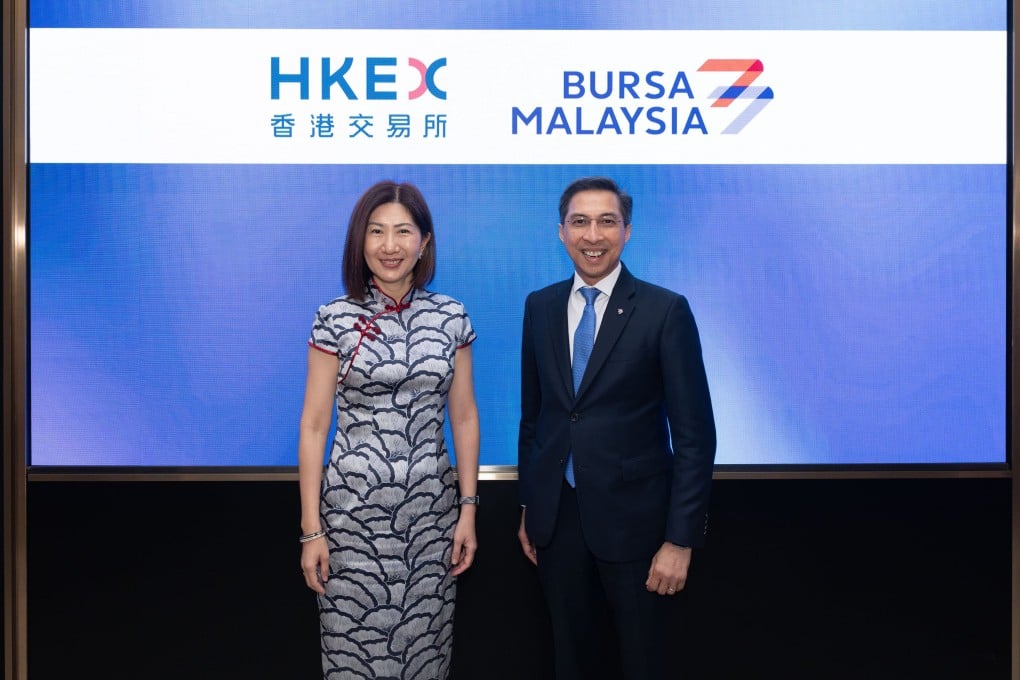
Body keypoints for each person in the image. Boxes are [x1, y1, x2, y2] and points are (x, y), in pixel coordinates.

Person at [517, 177, 716, 680]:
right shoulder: (539, 306)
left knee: (641, 663)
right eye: (579, 222)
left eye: (607, 221)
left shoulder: (665, 310)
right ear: (560, 232)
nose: (593, 235)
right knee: (569, 661)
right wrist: (529, 505)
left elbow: (695, 436)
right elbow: (534, 416)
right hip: (556, 524)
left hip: (639, 530)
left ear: (627, 231)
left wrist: (680, 540)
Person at [297, 180, 480, 679]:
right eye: (376, 232)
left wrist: (468, 509)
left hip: (430, 523)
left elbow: (463, 415)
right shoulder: (333, 318)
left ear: (424, 241)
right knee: (352, 660)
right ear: (361, 242)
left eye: (403, 231)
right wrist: (311, 529)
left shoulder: (451, 317)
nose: (389, 245)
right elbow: (314, 426)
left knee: (425, 658)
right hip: (351, 524)